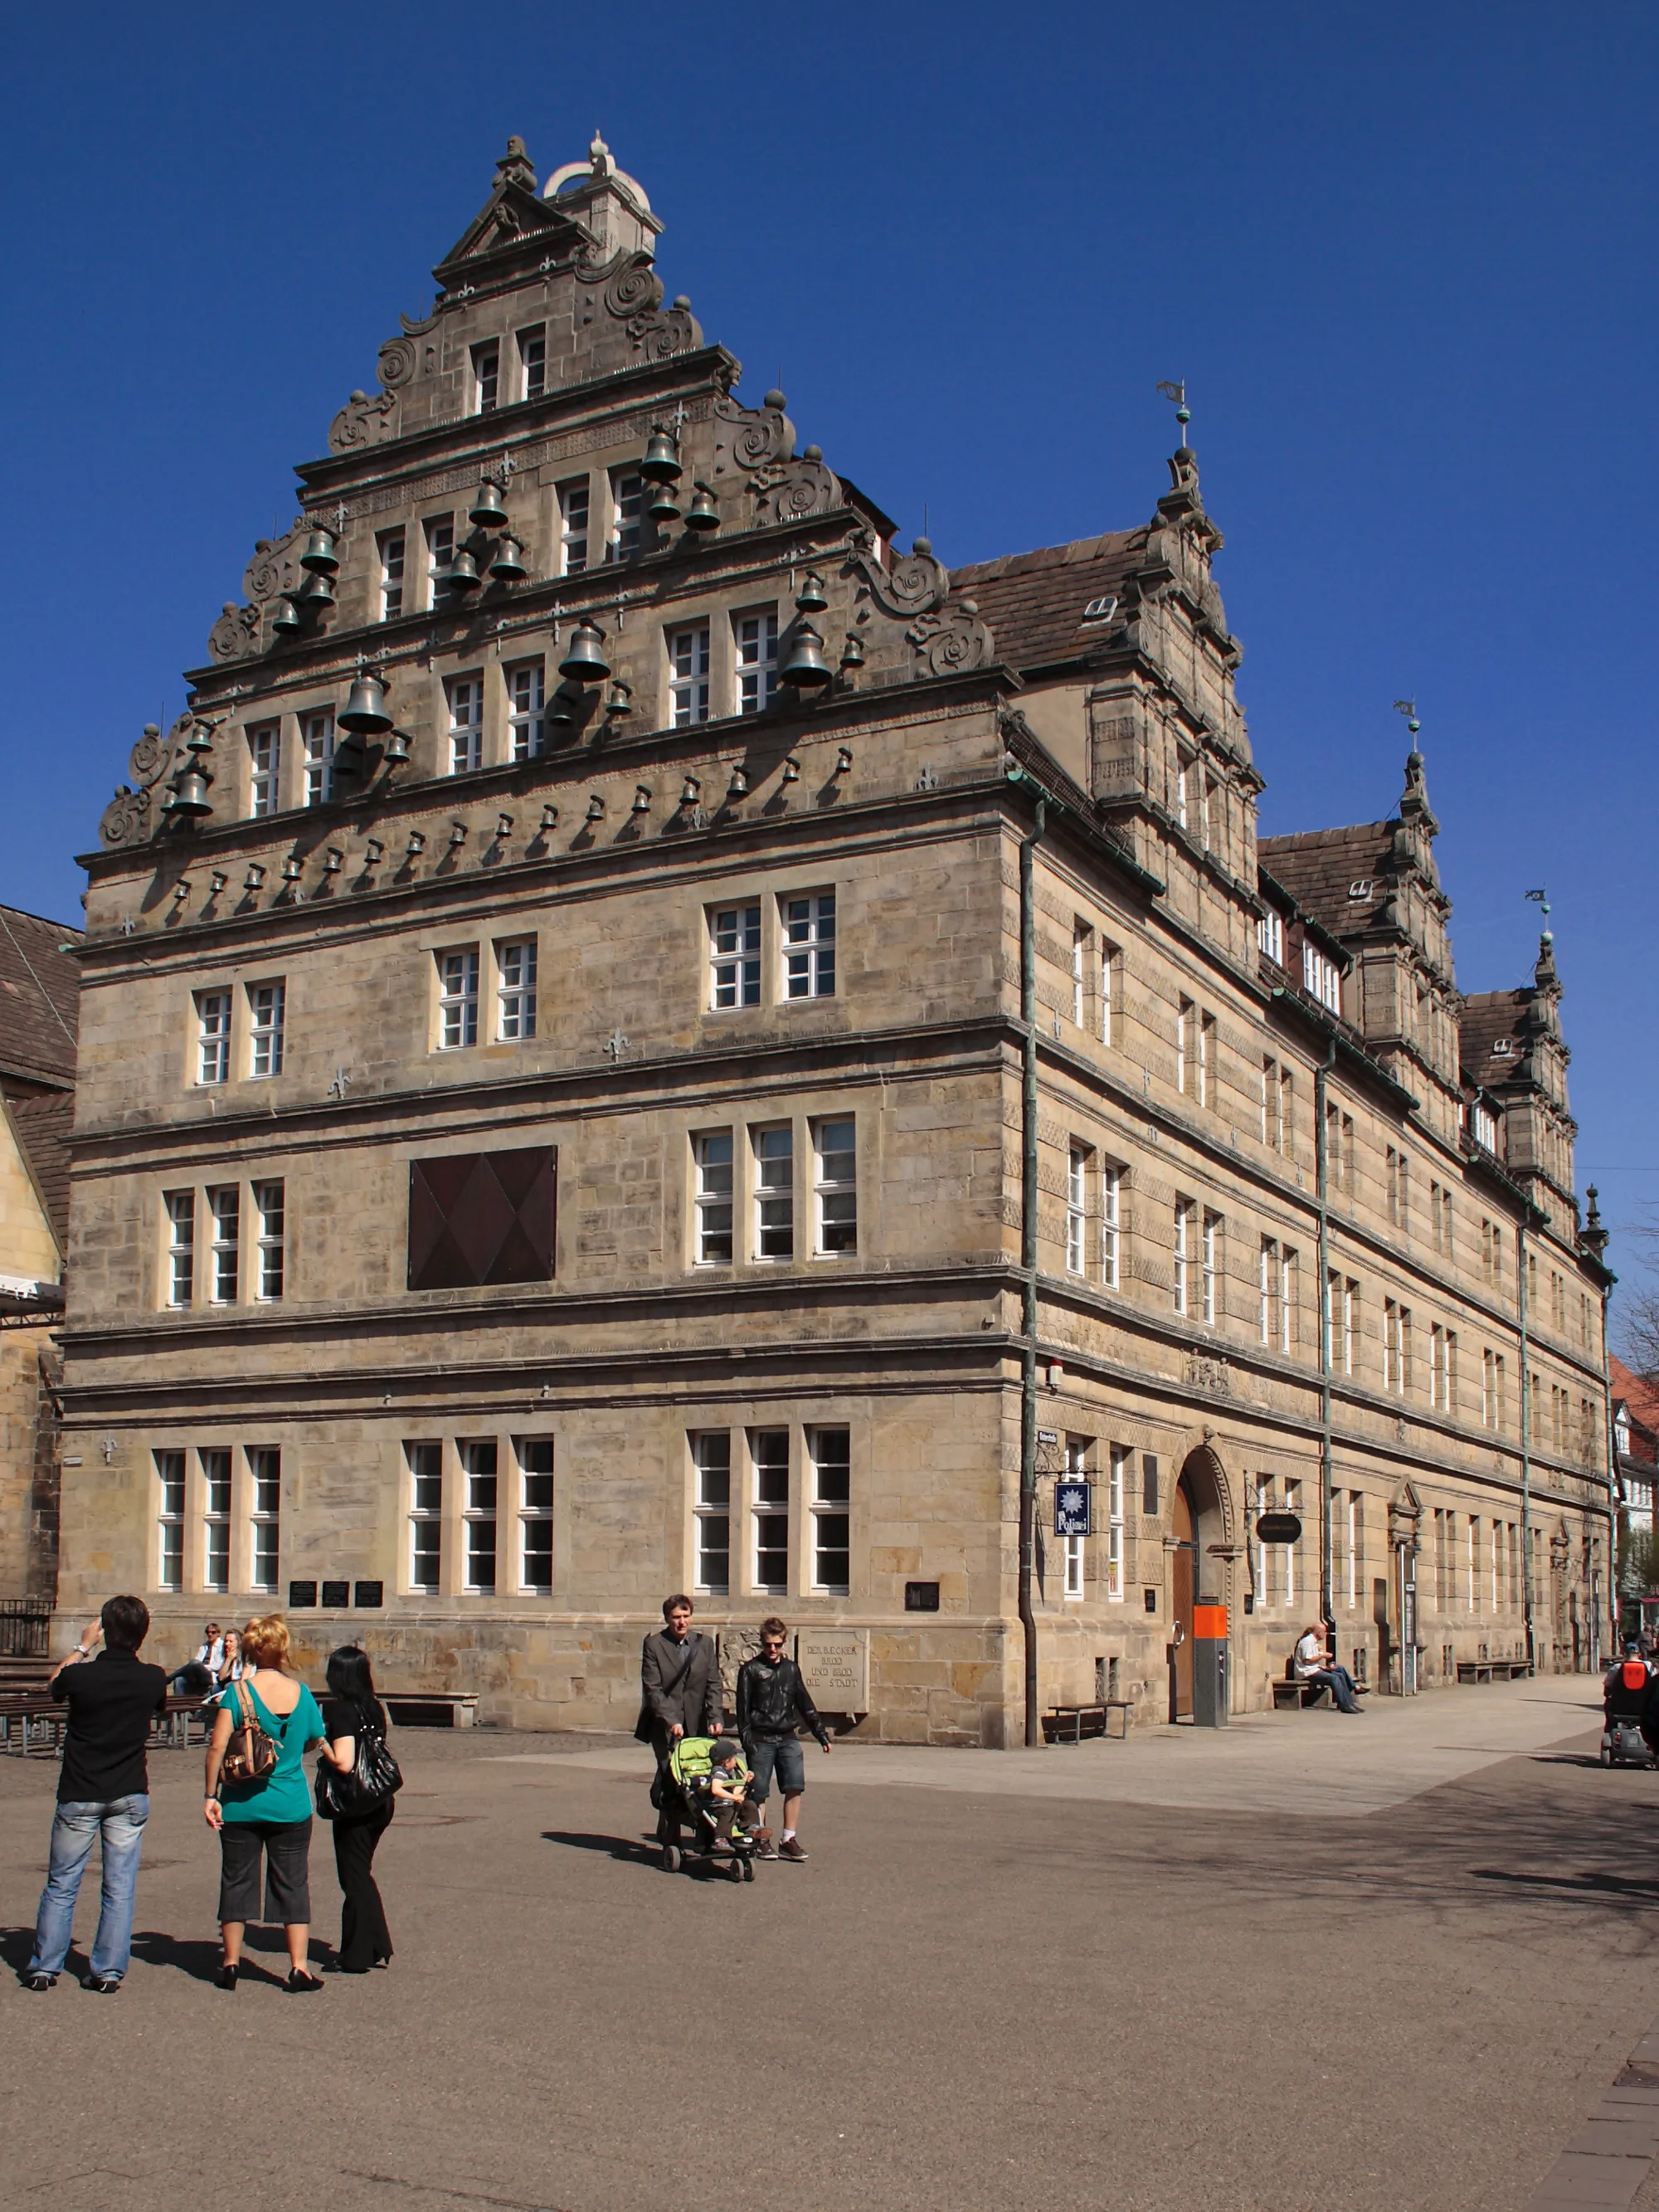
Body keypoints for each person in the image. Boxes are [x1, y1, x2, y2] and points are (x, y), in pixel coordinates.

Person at [24, 1597, 167, 1993]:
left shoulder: (82, 1676)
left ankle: (45, 1966)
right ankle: (107, 1970)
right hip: (128, 1790)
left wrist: (83, 1646)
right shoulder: (153, 1677)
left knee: (62, 1882)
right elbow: (157, 1705)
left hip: (81, 1789)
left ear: (105, 1630)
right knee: (119, 1886)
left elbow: (54, 1684)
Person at [203, 1614, 327, 1991]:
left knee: (236, 1879)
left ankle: (230, 1962)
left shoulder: (237, 1694)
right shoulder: (302, 1694)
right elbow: (311, 1740)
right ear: (283, 1650)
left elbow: (217, 1747)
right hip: (289, 1802)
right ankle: (299, 1966)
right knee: (293, 1881)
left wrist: (210, 1795)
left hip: (240, 1803)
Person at [316, 1644, 396, 1973]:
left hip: (356, 1802)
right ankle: (371, 1943)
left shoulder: (341, 1710)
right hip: (379, 1799)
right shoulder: (372, 1706)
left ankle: (360, 1953)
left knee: (354, 1876)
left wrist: (320, 1743)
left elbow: (345, 1762)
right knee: (359, 1873)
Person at [736, 1618, 832, 1860]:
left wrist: (820, 1733)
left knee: (794, 1786)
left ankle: (788, 1839)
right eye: (768, 1645)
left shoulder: (791, 1669)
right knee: (759, 1792)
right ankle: (761, 1838)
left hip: (788, 1736)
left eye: (777, 1645)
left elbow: (805, 1703)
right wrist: (749, 1743)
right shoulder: (750, 1670)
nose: (773, 1650)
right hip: (761, 1737)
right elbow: (743, 1712)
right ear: (762, 1643)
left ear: (784, 1643)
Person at [638, 1595, 722, 1846]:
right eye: (676, 1617)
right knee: (672, 1777)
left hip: (697, 1721)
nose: (682, 1622)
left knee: (701, 1776)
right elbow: (653, 1688)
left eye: (686, 1616)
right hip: (666, 1725)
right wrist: (671, 1719)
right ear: (667, 1619)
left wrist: (716, 1716)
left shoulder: (704, 1644)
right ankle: (672, 1834)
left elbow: (713, 1683)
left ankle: (705, 1833)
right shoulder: (654, 1645)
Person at [698, 1737, 761, 1852]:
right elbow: (716, 1789)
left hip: (728, 1802)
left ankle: (751, 1828)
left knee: (749, 1804)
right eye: (734, 1758)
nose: (736, 1760)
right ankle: (721, 1838)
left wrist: (744, 1780)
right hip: (716, 1805)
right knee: (728, 1811)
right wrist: (734, 1797)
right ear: (726, 1762)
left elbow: (735, 1792)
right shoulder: (718, 1772)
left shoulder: (729, 1773)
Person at [1292, 1623, 1364, 1714]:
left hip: (1313, 1669)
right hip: (1306, 1672)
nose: (1325, 1634)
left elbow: (1312, 1661)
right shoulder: (1307, 1642)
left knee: (1339, 1674)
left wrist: (1324, 1666)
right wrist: (1323, 1656)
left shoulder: (1314, 1642)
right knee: (1334, 1678)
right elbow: (1307, 1661)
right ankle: (1344, 1705)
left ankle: (1349, 1703)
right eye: (1324, 1632)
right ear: (1318, 1633)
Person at [168, 1621, 223, 1697]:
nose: (210, 1634)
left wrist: (200, 1667)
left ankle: (170, 1677)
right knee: (179, 1680)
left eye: (213, 1632)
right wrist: (198, 1667)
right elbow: (197, 1660)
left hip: (210, 1676)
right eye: (208, 1632)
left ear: (218, 1633)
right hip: (198, 1675)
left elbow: (217, 1666)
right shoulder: (204, 1647)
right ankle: (179, 1705)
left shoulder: (222, 1646)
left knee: (194, 1663)